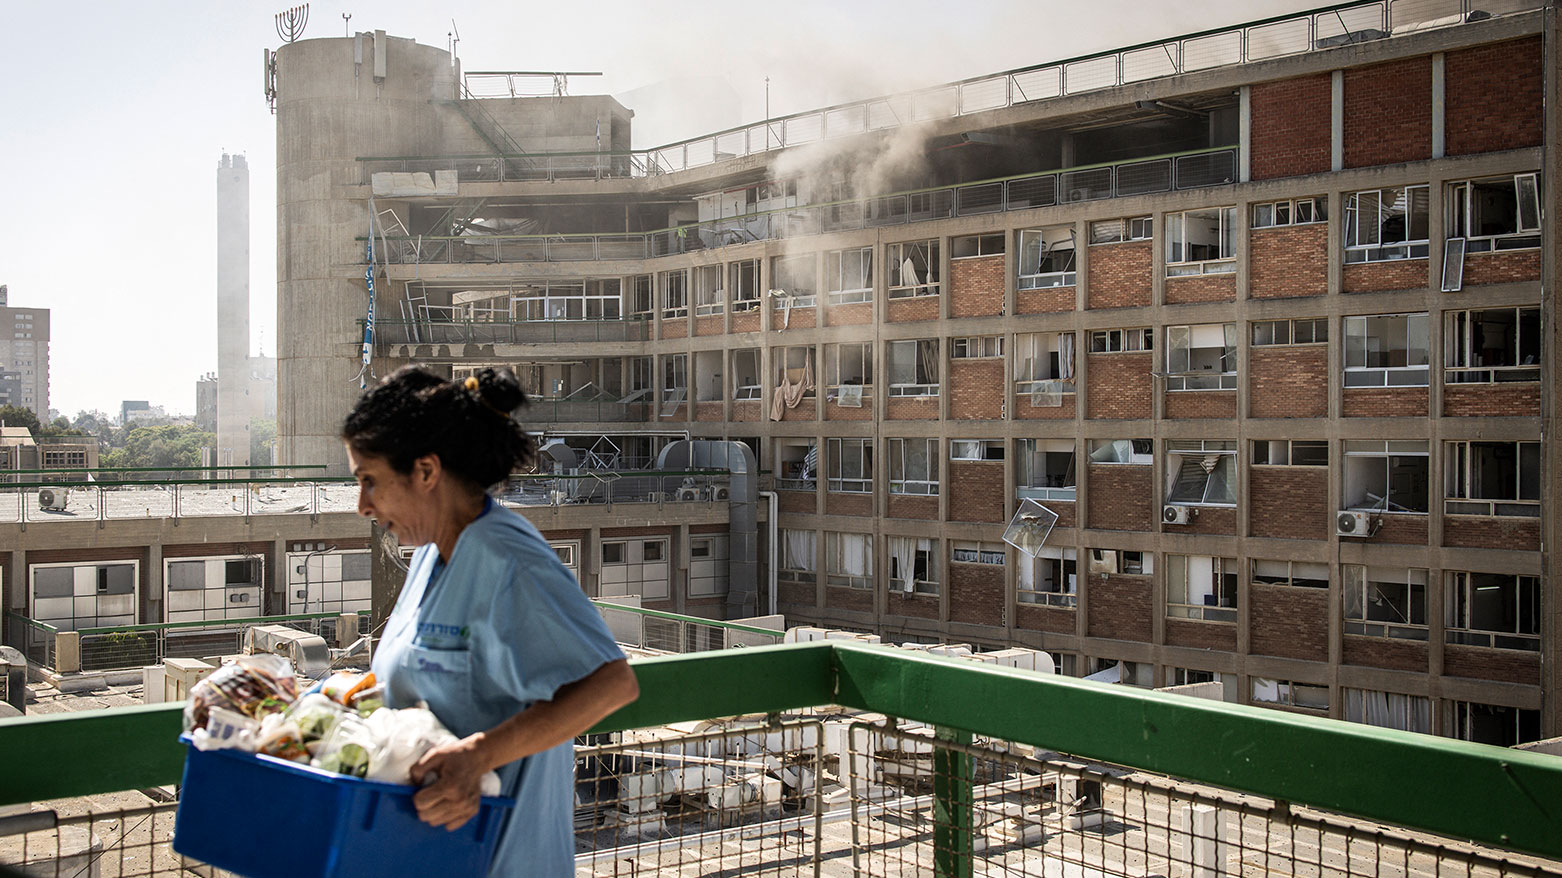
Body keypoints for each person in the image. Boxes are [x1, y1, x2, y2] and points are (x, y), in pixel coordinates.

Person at [344, 365, 639, 876]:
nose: (362, 505)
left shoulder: (510, 561)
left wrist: (478, 756)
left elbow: (612, 683)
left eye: (370, 481)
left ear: (427, 472)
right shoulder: (427, 557)